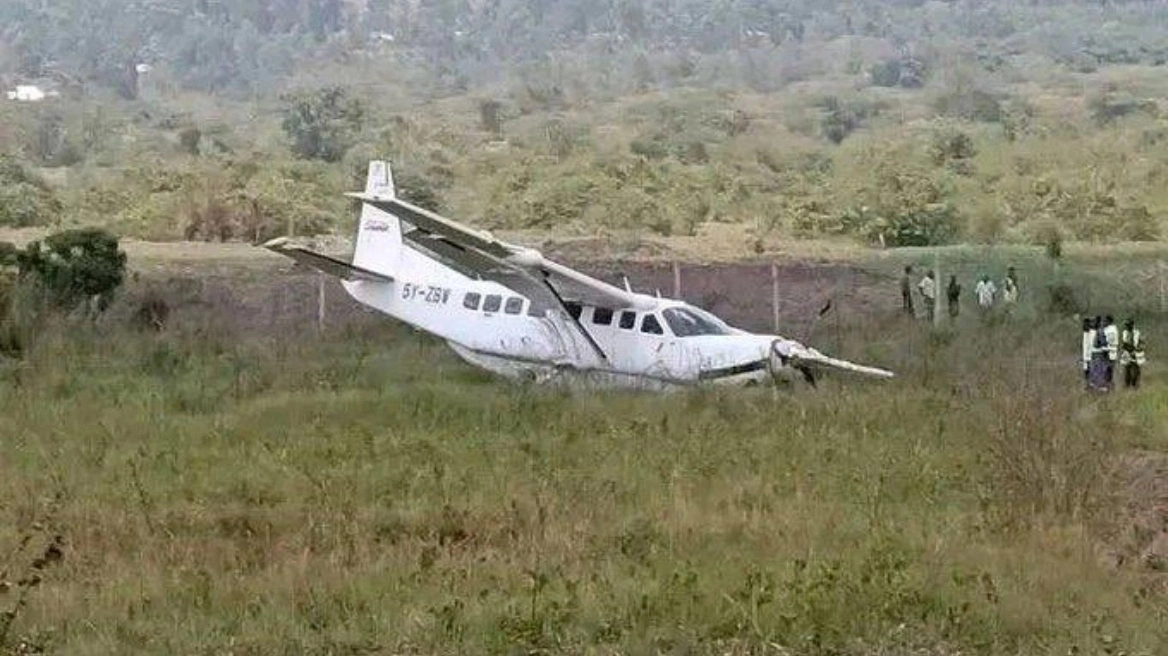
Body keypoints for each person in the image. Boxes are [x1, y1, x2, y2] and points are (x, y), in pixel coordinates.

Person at [1121, 318, 1146, 389]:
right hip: (1127, 354)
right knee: (1127, 372)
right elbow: (1123, 343)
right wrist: (1124, 348)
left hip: (1135, 354)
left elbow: (1143, 345)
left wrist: (1136, 350)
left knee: (1135, 372)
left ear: (1132, 325)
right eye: (1126, 325)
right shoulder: (1124, 333)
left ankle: (1135, 386)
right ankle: (1127, 386)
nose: (1127, 327)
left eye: (1128, 325)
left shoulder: (1138, 333)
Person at [1088, 316, 1111, 392]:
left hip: (1097, 353)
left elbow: (1102, 344)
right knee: (1098, 370)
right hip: (1097, 353)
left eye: (1093, 322)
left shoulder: (1098, 331)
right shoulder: (1098, 331)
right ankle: (1099, 387)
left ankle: (1099, 387)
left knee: (1097, 370)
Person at [1103, 315, 1120, 386]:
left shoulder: (1110, 330)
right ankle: (1109, 384)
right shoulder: (1114, 329)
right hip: (1112, 351)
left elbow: (1108, 340)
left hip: (1109, 351)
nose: (1104, 322)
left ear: (1109, 321)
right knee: (1109, 369)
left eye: (1105, 321)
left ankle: (1109, 385)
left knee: (1108, 369)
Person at [1081, 317, 1094, 388]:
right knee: (1086, 373)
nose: (1084, 326)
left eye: (1086, 324)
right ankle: (1088, 386)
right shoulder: (1085, 333)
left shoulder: (1093, 333)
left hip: (1091, 358)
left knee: (1091, 374)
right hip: (1086, 358)